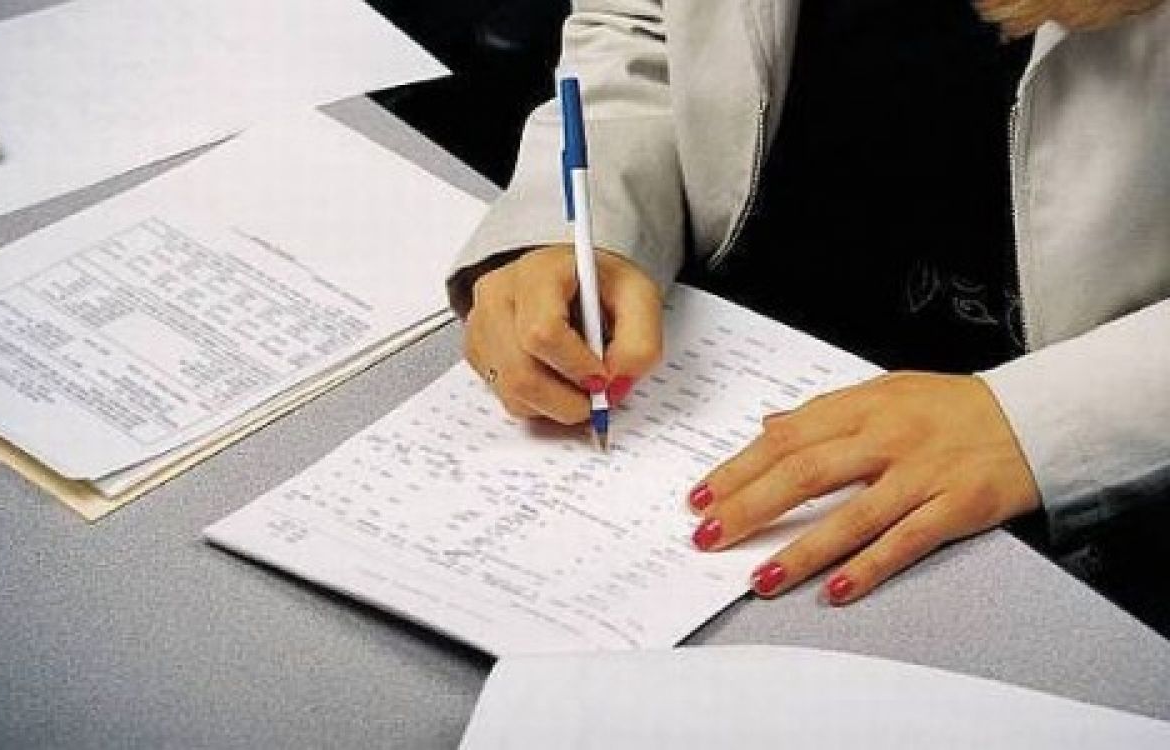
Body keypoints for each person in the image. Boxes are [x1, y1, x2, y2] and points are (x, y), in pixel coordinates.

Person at [446, 0, 1170, 605]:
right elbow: (643, 25)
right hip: (731, 361)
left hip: (1053, 476)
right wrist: (593, 229)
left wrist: (1040, 421)